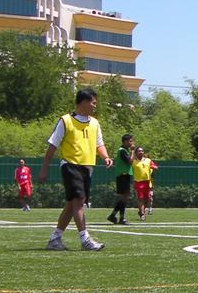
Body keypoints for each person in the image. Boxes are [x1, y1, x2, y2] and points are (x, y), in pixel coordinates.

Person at [39, 88, 113, 251]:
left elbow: (99, 144)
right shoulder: (66, 121)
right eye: (93, 102)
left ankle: (55, 239)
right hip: (70, 165)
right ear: (83, 102)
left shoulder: (95, 123)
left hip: (87, 168)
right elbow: (52, 146)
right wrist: (44, 169)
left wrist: (106, 157)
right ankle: (85, 240)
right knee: (79, 200)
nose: (95, 106)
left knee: (72, 204)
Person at [107, 133, 134, 224]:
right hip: (123, 175)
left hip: (125, 175)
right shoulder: (122, 151)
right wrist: (133, 151)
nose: (131, 143)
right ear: (125, 141)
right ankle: (119, 217)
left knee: (124, 198)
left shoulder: (124, 150)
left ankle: (114, 216)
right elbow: (130, 162)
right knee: (124, 197)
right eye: (130, 141)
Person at [131, 147, 158, 221]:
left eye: (142, 151)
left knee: (147, 199)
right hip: (138, 182)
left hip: (147, 182)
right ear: (136, 153)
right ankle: (142, 214)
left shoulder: (148, 160)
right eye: (139, 151)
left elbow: (155, 166)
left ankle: (141, 211)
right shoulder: (133, 161)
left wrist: (154, 167)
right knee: (140, 198)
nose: (141, 152)